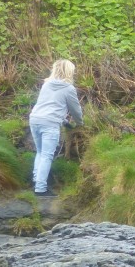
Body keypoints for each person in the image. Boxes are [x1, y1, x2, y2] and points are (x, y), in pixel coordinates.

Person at [28, 59, 84, 197]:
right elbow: (75, 110)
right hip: (50, 123)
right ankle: (41, 189)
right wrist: (80, 123)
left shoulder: (46, 84)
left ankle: (36, 180)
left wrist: (64, 121)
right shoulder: (68, 88)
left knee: (40, 152)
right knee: (47, 155)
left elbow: (49, 105)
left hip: (35, 119)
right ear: (69, 72)